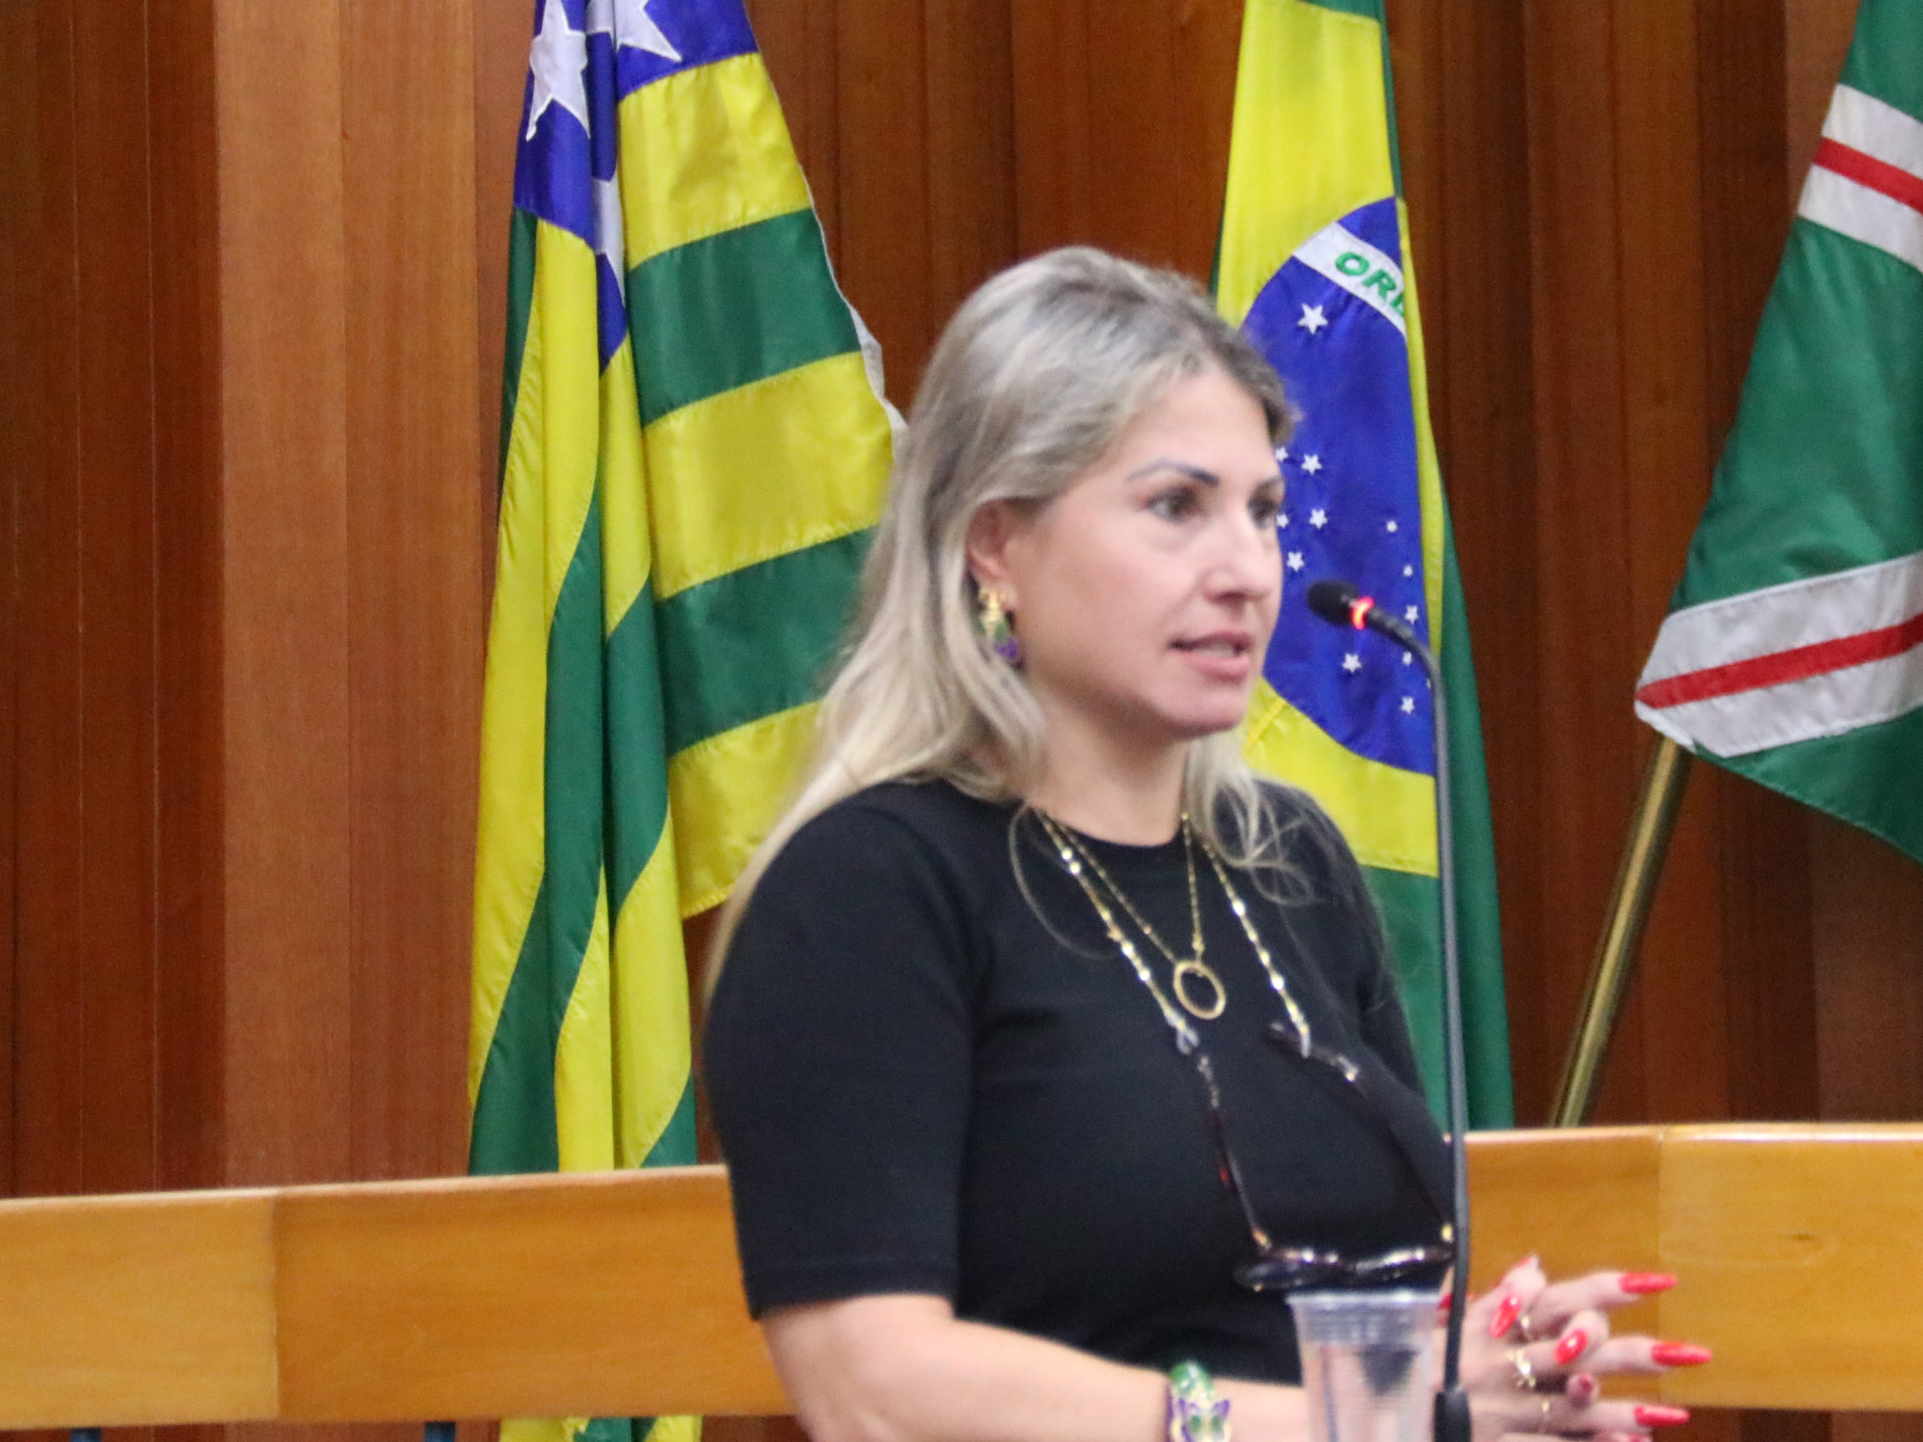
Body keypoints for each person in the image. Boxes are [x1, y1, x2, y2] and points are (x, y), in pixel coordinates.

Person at [704, 248, 1705, 1442]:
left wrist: (1485, 1365)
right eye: (1176, 507)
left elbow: (1366, 1343)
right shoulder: (868, 888)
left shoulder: (1289, 860)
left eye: (1263, 511)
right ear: (995, 544)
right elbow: (872, 1389)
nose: (1246, 571)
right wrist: (1349, 1427)